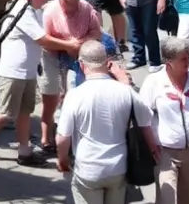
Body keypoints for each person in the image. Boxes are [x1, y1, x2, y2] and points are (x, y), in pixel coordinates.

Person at [0, 0, 79, 166]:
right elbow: (42, 39)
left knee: (25, 112)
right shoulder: (22, 11)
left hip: (27, 72)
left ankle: (24, 151)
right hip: (12, 72)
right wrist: (70, 45)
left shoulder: (34, 10)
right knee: (7, 113)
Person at [56, 40, 158, 204]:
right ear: (108, 63)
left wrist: (63, 161)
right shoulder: (125, 91)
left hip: (88, 170)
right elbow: (146, 120)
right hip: (118, 168)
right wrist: (154, 151)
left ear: (82, 64)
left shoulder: (74, 95)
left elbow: (63, 138)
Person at [139, 37, 189, 204]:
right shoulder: (153, 82)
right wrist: (152, 147)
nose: (188, 62)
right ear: (169, 62)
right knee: (166, 199)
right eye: (183, 59)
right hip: (165, 153)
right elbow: (143, 119)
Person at [40, 0, 102, 154]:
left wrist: (79, 43)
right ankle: (48, 137)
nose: (74, 5)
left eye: (76, 0)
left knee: (74, 94)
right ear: (62, 0)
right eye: (70, 2)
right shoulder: (51, 11)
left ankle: (73, 137)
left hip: (78, 56)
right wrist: (67, 44)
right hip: (53, 55)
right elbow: (45, 39)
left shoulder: (86, 7)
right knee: (53, 95)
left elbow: (96, 32)